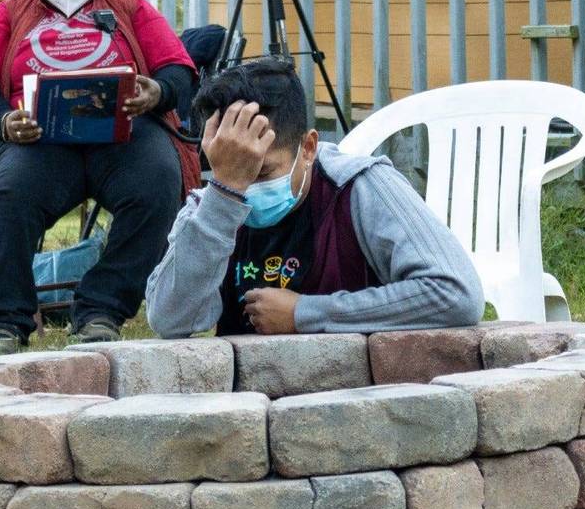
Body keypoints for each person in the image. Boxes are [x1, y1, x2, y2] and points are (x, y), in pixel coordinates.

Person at [0, 0, 202, 357]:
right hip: (37, 142)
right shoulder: (9, 14)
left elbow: (179, 71)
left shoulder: (129, 5)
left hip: (124, 137)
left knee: (158, 183)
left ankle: (101, 310)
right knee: (11, 194)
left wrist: (157, 92)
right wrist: (3, 122)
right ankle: (5, 321)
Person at [145, 58, 484, 337]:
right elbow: (170, 320)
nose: (245, 189)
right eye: (233, 171)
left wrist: (305, 313)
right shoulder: (211, 206)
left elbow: (455, 294)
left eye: (260, 173)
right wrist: (223, 193)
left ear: (307, 148)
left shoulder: (359, 187)